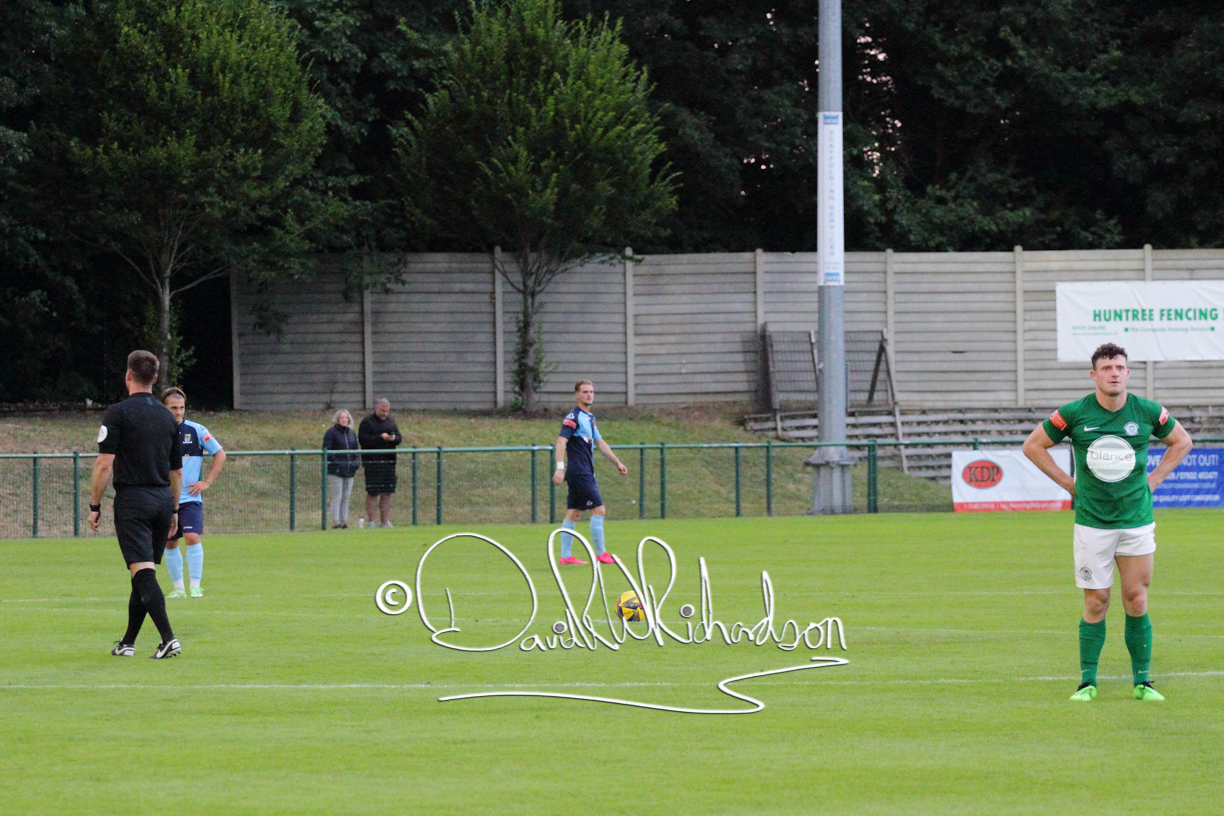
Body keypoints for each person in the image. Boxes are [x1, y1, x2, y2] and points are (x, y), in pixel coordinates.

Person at [1022, 342, 1192, 702]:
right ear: (1094, 374)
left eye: (1119, 368)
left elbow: (1181, 441)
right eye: (1106, 368)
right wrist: (1069, 484)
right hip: (1092, 523)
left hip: (1136, 522)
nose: (1113, 373)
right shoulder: (1075, 412)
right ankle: (1087, 683)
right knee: (1097, 602)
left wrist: (1154, 480)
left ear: (1127, 373)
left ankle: (1143, 683)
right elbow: (1033, 445)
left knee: (1136, 599)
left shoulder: (1146, 411)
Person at [88, 350, 184, 659]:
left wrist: (94, 504)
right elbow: (176, 471)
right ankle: (128, 642)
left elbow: (104, 464)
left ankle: (168, 638)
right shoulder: (168, 417)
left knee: (143, 573)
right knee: (141, 573)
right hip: (162, 500)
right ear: (154, 378)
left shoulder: (118, 413)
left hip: (133, 501)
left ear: (128, 375)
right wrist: (174, 509)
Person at [552, 379, 628, 565]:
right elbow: (561, 441)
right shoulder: (573, 417)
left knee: (574, 513)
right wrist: (560, 467)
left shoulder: (590, 417)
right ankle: (602, 554)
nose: (589, 395)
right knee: (599, 510)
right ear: (577, 395)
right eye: (585, 392)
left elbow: (599, 442)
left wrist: (617, 462)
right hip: (579, 472)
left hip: (584, 472)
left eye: (591, 392)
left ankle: (566, 556)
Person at [160, 387, 226, 598]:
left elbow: (220, 454)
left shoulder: (196, 430)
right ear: (164, 408)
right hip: (165, 498)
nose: (178, 412)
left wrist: (206, 482)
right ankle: (178, 588)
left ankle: (195, 586)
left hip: (190, 498)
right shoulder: (156, 431)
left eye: (181, 408)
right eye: (173, 408)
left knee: (191, 536)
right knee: (170, 541)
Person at [359, 398, 402, 528]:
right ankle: (371, 522)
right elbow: (363, 440)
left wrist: (393, 438)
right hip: (373, 463)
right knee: (373, 492)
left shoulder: (391, 421)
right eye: (382, 411)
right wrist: (380, 438)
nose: (385, 413)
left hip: (389, 462)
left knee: (387, 492)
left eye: (387, 411)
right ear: (376, 408)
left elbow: (399, 438)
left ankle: (385, 522)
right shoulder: (367, 422)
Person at [324, 408, 360, 528]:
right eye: (342, 417)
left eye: (346, 417)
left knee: (346, 496)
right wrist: (338, 464)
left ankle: (344, 521)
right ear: (337, 419)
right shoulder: (331, 433)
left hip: (349, 470)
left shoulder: (351, 433)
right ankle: (335, 521)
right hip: (336, 471)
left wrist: (355, 463)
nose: (344, 420)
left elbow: (355, 450)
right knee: (337, 496)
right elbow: (327, 451)